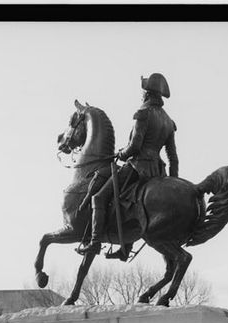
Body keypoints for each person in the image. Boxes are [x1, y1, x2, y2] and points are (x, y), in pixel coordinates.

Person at [76, 73, 178, 258]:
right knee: (131, 202)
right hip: (158, 172)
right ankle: (125, 250)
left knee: (99, 198)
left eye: (144, 91)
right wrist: (172, 180)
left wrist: (121, 153)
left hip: (138, 166)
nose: (142, 94)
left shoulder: (144, 113)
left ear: (147, 94)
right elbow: (173, 158)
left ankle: (94, 243)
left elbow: (135, 146)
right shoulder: (169, 122)